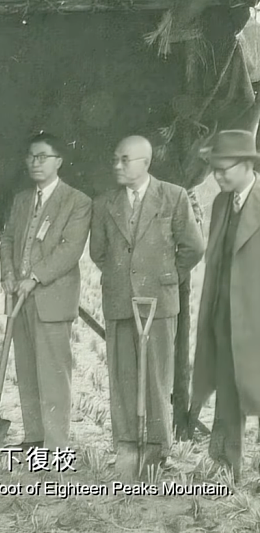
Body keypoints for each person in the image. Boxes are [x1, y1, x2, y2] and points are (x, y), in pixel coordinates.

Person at [90, 135, 204, 478]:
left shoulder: (173, 196)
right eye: (115, 159)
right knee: (122, 375)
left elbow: (193, 247)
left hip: (158, 303)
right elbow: (99, 252)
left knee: (156, 377)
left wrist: (167, 276)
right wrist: (122, 278)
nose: (117, 165)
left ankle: (157, 447)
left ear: (145, 162)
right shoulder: (105, 203)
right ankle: (126, 444)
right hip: (121, 301)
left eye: (125, 159)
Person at [0, 132, 92, 452]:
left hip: (51, 299)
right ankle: (34, 437)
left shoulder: (77, 201)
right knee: (26, 370)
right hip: (19, 298)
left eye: (42, 157)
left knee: (53, 375)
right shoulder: (22, 199)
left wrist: (35, 277)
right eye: (31, 157)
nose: (35, 163)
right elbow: (8, 238)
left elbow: (70, 250)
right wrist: (9, 275)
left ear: (59, 161)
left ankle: (56, 446)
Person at [190, 130, 260, 484]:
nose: (217, 175)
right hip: (223, 313)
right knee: (228, 385)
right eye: (214, 168)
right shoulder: (220, 203)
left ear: (248, 163)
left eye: (224, 167)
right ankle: (225, 461)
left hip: (256, 316)